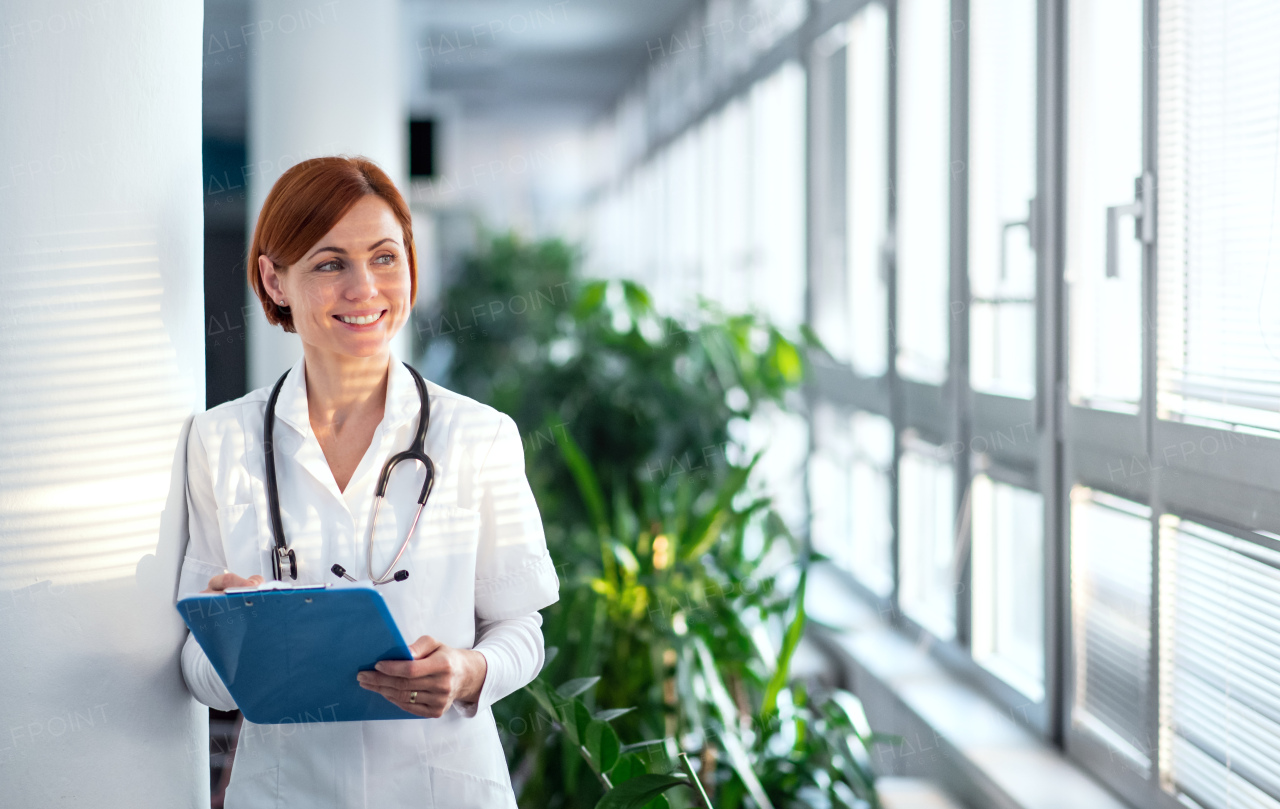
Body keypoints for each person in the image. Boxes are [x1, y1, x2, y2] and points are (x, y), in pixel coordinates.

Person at [175, 156, 559, 808]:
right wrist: (238, 640)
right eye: (329, 264)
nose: (365, 287)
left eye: (385, 257)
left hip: (443, 787)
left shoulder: (480, 435)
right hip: (286, 792)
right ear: (275, 279)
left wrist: (470, 671)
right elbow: (195, 669)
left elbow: (523, 628)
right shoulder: (223, 441)